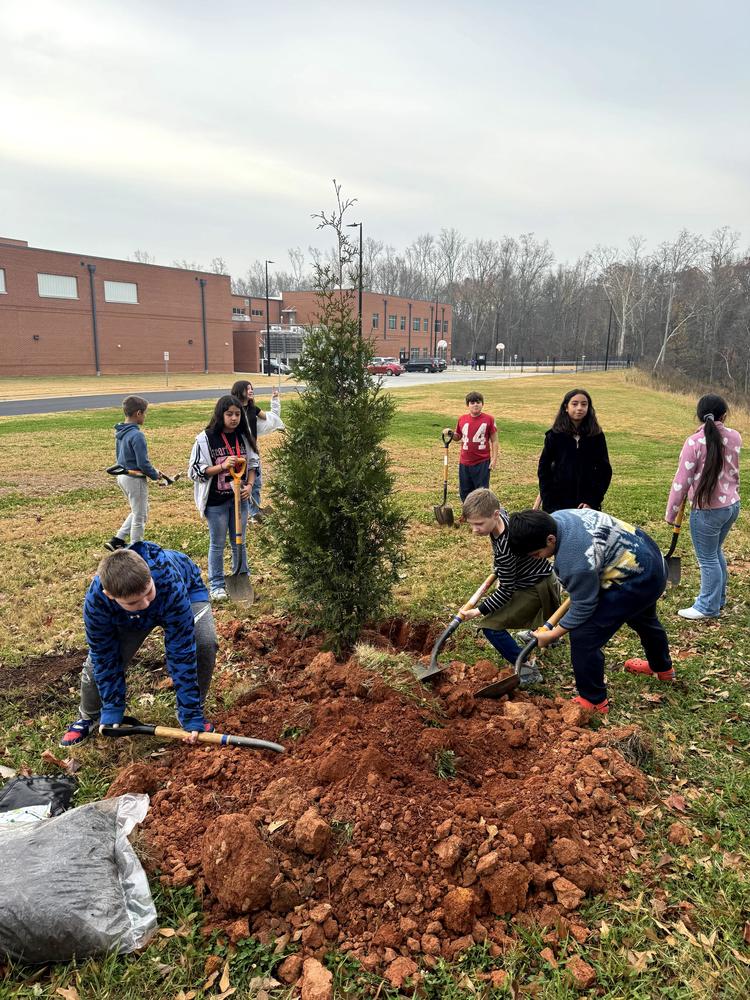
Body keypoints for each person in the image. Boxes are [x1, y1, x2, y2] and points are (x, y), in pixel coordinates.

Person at [508, 508, 674, 713]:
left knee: (584, 635)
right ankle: (662, 668)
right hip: (649, 559)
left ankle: (593, 699)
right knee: (643, 619)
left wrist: (554, 633)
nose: (536, 558)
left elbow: (584, 606)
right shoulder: (557, 518)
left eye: (536, 553)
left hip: (638, 577)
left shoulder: (574, 559)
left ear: (550, 539)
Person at [59, 543, 217, 747]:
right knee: (96, 664)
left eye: (147, 593)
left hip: (184, 591)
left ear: (150, 577)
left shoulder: (167, 580)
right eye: (134, 602)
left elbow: (181, 650)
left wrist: (191, 714)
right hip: (124, 616)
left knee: (204, 643)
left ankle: (192, 710)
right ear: (109, 595)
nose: (145, 604)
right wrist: (113, 708)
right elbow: (104, 655)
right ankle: (89, 716)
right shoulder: (97, 603)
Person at [461, 489, 561, 685]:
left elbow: (505, 592)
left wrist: (478, 611)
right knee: (522, 607)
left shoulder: (506, 550)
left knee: (490, 626)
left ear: (495, 514)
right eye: (471, 524)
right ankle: (545, 635)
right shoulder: (503, 516)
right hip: (543, 577)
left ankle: (526, 669)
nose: (475, 530)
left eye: (479, 524)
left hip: (536, 586)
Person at [665, 393, 741, 621]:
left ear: (698, 415)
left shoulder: (694, 442)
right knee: (715, 553)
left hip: (707, 511)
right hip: (731, 507)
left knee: (707, 558)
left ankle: (707, 606)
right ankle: (718, 599)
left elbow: (682, 480)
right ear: (724, 415)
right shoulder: (735, 437)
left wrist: (671, 511)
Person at [188, 395, 259, 601]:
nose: (234, 418)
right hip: (216, 503)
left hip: (240, 500)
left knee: (240, 541)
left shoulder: (243, 437)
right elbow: (194, 472)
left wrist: (249, 485)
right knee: (217, 543)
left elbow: (253, 465)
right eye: (229, 414)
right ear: (221, 415)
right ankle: (217, 585)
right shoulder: (205, 439)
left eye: (237, 414)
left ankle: (241, 575)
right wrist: (221, 466)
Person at [537, 388, 612, 513]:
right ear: (566, 407)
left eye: (584, 404)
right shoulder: (554, 435)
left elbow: (604, 471)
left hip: (586, 504)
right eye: (575, 404)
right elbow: (544, 469)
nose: (579, 408)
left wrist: (592, 501)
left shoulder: (596, 436)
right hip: (557, 503)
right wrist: (549, 500)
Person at [106, 395, 163, 551]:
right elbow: (143, 463)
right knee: (140, 516)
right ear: (138, 413)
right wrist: (154, 474)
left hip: (123, 477)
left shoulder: (121, 432)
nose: (145, 416)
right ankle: (136, 548)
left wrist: (153, 472)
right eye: (145, 413)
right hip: (134, 479)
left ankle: (117, 540)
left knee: (140, 510)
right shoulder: (137, 435)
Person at [230, 380, 282, 523]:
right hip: (237, 452)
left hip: (253, 452)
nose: (251, 391)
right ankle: (241, 513)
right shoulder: (233, 410)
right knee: (239, 484)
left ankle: (254, 513)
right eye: (248, 389)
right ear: (239, 391)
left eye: (252, 388)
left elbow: (272, 418)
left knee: (256, 483)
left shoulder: (254, 409)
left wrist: (275, 399)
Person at [442, 391, 498, 502]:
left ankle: (480, 514)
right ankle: (467, 511)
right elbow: (458, 437)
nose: (475, 405)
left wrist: (494, 458)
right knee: (465, 489)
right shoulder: (462, 419)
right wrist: (451, 433)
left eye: (478, 402)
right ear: (468, 405)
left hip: (482, 461)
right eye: (472, 402)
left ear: (482, 404)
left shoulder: (489, 419)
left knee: (481, 491)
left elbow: (494, 440)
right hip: (465, 461)